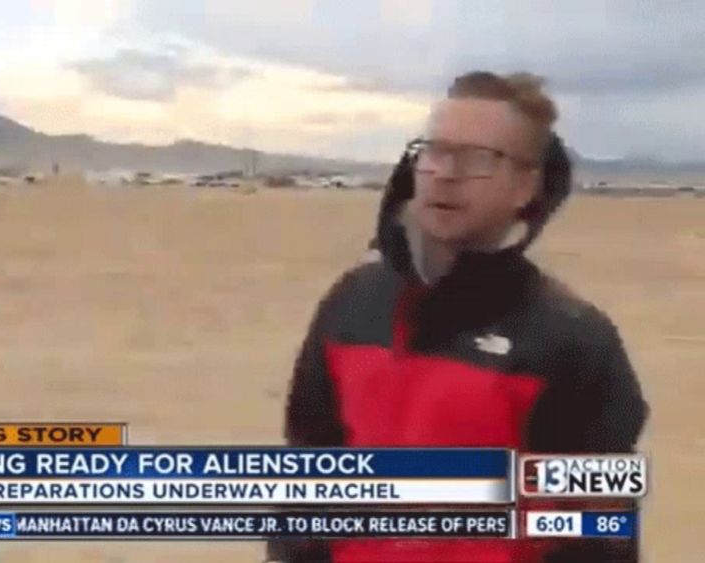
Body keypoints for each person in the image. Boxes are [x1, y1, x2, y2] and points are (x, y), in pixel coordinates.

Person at [267, 71, 649, 562]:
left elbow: (599, 533)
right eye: (435, 151)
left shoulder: (572, 339)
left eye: (477, 159)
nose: (446, 172)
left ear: (525, 185)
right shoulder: (352, 303)